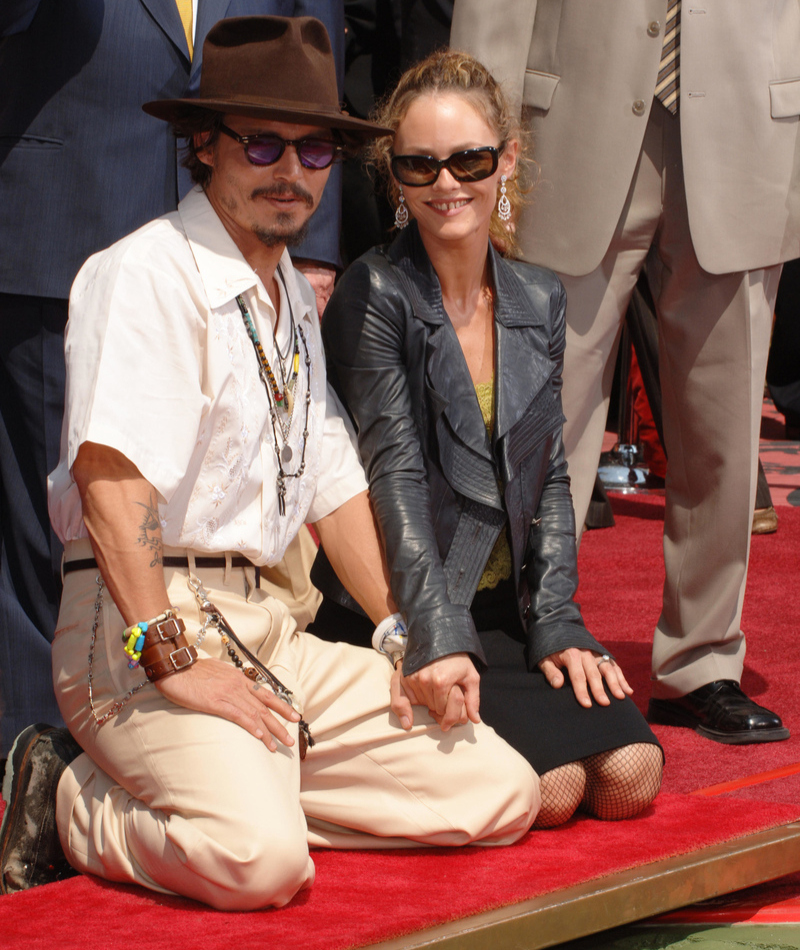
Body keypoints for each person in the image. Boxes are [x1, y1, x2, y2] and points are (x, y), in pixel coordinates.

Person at [0, 18, 539, 907]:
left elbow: (332, 484)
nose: (291, 172)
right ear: (203, 145)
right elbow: (110, 487)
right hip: (134, 627)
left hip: (268, 630)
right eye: (261, 143)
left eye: (315, 150)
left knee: (500, 793)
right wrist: (168, 656)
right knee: (261, 864)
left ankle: (248, 787)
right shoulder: (145, 272)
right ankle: (67, 794)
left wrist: (410, 637)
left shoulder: (288, 292)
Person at [312, 50, 663, 829]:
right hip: (413, 605)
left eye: (469, 159)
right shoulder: (375, 293)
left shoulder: (538, 297)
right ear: (394, 177)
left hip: (507, 608)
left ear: (507, 159)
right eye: (420, 165)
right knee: (556, 789)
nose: (447, 184)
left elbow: (551, 479)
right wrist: (433, 636)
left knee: (632, 776)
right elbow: (394, 477)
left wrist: (560, 620)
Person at [0, 0, 345, 757]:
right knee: (55, 527)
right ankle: (42, 760)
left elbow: (311, 33)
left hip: (251, 232)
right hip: (65, 214)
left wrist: (315, 243)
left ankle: (163, 743)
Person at [450, 0, 800, 743]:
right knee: (545, 417)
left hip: (750, 126)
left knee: (725, 427)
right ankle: (525, 641)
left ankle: (703, 660)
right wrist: (468, 126)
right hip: (567, 129)